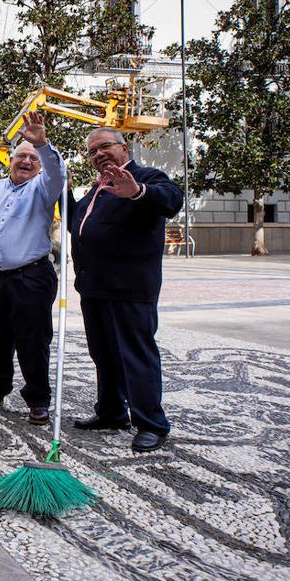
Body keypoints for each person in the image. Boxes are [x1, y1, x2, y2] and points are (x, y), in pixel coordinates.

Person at [69, 127, 182, 453]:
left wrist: (138, 192)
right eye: (92, 151)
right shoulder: (97, 189)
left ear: (123, 146)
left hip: (129, 288)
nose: (99, 154)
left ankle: (151, 424)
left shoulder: (146, 176)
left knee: (135, 356)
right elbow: (78, 219)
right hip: (93, 287)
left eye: (104, 147)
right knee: (103, 355)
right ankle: (111, 412)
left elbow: (171, 200)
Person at [0, 112, 65, 426]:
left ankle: (38, 400)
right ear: (9, 159)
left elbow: (56, 173)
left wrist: (44, 145)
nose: (27, 161)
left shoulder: (43, 188)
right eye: (22, 155)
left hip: (32, 277)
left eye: (33, 158)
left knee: (33, 341)